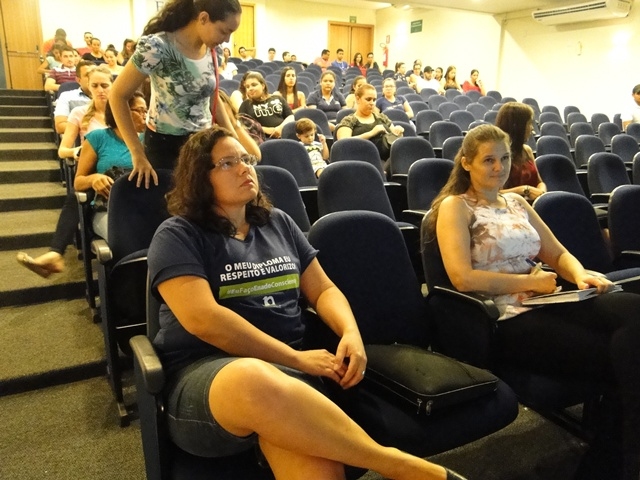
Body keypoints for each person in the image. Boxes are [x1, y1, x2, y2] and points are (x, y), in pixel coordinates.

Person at [146, 125, 467, 480]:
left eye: (246, 159)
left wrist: (350, 333)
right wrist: (295, 359)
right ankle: (401, 466)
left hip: (288, 378)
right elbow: (203, 319)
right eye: (227, 163)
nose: (244, 168)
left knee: (320, 467)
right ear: (198, 177)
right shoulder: (178, 234)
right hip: (206, 380)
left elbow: (324, 290)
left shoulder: (278, 223)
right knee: (253, 377)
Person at [424, 123, 640, 480]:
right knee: (626, 357)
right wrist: (529, 283)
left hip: (547, 300)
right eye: (489, 160)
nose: (499, 167)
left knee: (633, 311)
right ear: (466, 163)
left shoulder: (517, 202)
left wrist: (580, 274)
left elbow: (557, 253)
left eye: (505, 158)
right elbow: (462, 278)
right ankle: (619, 463)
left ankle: (615, 463)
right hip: (503, 318)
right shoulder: (455, 207)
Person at [109, 0, 242, 187]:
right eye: (224, 31)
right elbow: (117, 95)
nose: (227, 40)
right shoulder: (158, 47)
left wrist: (233, 137)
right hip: (165, 147)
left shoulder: (213, 51)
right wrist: (137, 153)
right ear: (203, 18)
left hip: (202, 145)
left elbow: (212, 97)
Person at [16, 66, 112, 278]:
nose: (100, 90)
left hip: (116, 168)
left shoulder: (123, 113)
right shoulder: (80, 113)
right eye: (95, 85)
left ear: (113, 86)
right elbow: (63, 150)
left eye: (105, 85)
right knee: (76, 196)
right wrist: (76, 151)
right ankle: (56, 253)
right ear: (88, 86)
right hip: (90, 168)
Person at [73, 92, 148, 240]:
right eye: (139, 111)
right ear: (120, 111)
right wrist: (94, 179)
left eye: (146, 111)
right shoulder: (98, 137)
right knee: (127, 238)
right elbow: (78, 182)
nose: (145, 116)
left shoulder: (149, 140)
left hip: (142, 207)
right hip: (108, 209)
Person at [335, 83, 404, 164]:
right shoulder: (349, 120)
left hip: (386, 162)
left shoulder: (381, 117)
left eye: (374, 100)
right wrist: (371, 133)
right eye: (368, 99)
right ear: (358, 99)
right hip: (361, 162)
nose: (372, 103)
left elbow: (395, 138)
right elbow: (343, 143)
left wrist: (398, 131)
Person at [495, 102, 546, 202]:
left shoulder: (527, 150)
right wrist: (525, 190)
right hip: (509, 206)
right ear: (518, 126)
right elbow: (495, 193)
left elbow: (540, 182)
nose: (532, 128)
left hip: (534, 203)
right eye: (529, 123)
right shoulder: (497, 154)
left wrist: (541, 193)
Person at [239, 71, 294, 139]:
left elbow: (290, 116)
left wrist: (280, 128)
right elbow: (243, 126)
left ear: (263, 86)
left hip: (283, 135)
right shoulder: (245, 105)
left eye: (254, 85)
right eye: (247, 87)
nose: (250, 89)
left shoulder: (278, 98)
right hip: (261, 139)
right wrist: (265, 130)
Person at [53, 60, 95, 134]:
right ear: (78, 80)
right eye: (88, 75)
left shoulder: (108, 97)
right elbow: (60, 126)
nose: (93, 78)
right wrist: (92, 129)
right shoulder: (67, 96)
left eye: (95, 74)